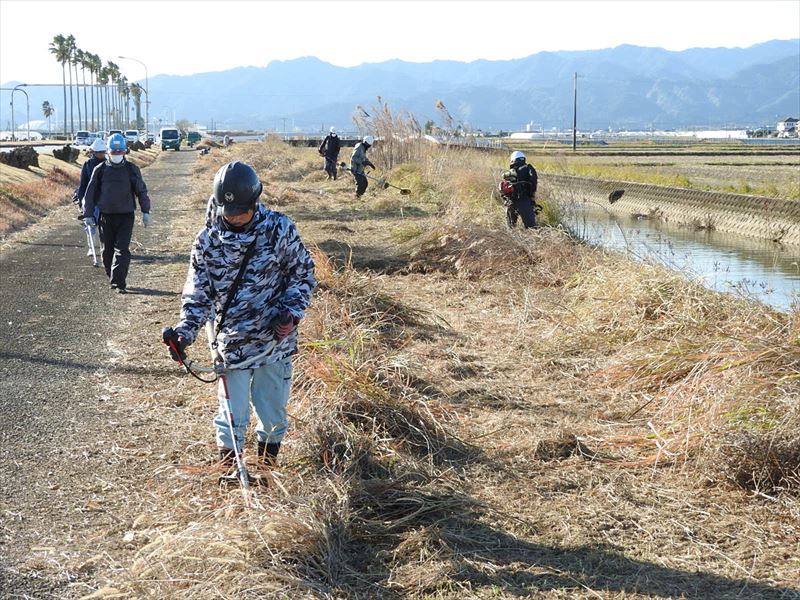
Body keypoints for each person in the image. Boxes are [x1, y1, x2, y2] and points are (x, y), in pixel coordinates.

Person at [162, 161, 316, 468]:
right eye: (228, 212)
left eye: (241, 212)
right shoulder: (207, 242)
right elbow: (198, 293)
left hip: (275, 342)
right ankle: (231, 478)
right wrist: (185, 332)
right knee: (231, 416)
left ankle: (265, 473)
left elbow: (303, 275)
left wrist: (291, 313)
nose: (234, 217)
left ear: (256, 201)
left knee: (273, 415)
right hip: (231, 344)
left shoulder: (279, 229)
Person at [82, 132, 151, 293]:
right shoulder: (100, 170)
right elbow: (90, 193)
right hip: (105, 215)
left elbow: (141, 191)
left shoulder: (131, 169)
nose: (117, 155)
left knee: (122, 249)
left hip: (126, 215)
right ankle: (112, 275)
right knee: (107, 251)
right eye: (114, 152)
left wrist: (146, 211)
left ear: (125, 152)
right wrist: (88, 214)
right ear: (108, 152)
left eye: (120, 152)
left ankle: (119, 283)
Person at [74, 138, 107, 254]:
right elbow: (83, 184)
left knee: (106, 226)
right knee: (90, 225)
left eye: (103, 152)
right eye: (100, 152)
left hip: (105, 200)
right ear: (94, 152)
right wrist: (81, 200)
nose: (102, 154)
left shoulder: (108, 164)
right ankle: (91, 247)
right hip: (90, 199)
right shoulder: (87, 165)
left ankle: (105, 248)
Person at [501, 150, 538, 228]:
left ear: (513, 160)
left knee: (510, 227)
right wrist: (531, 197)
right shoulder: (528, 168)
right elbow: (533, 185)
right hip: (524, 201)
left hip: (510, 201)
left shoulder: (510, 172)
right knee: (531, 228)